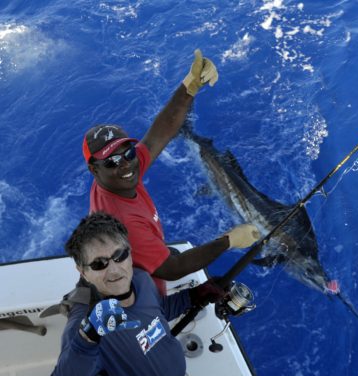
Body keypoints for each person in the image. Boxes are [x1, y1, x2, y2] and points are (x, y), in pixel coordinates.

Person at [82, 49, 260, 295]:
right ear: (94, 169)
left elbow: (159, 134)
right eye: (111, 161)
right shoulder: (121, 220)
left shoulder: (116, 178)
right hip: (140, 300)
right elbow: (172, 268)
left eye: (128, 153)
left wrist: (190, 86)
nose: (125, 164)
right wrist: (229, 240)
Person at [50, 212, 222, 376]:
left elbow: (158, 311)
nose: (114, 270)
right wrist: (87, 338)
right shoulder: (84, 325)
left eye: (119, 256)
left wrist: (194, 295)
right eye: (99, 264)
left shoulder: (140, 280)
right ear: (82, 271)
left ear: (130, 253)